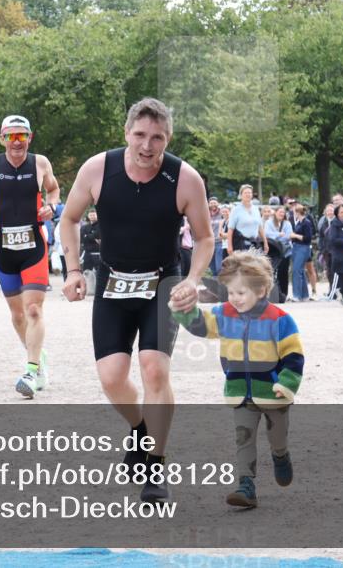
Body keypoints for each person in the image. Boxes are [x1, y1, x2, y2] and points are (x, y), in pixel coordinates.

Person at [58, 97, 213, 504]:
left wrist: (193, 280)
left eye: (157, 138)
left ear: (168, 138)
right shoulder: (97, 169)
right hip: (113, 284)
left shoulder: (185, 179)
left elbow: (205, 238)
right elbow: (68, 218)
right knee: (111, 377)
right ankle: (142, 429)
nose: (148, 146)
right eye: (140, 135)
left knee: (154, 371)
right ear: (127, 133)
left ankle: (156, 465)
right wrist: (74, 270)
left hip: (162, 285)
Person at [170, 251, 304, 509]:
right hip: (239, 391)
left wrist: (287, 383)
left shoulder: (280, 319)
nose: (234, 298)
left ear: (262, 290)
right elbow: (200, 325)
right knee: (244, 438)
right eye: (230, 292)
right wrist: (182, 308)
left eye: (240, 293)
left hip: (273, 393)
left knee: (277, 436)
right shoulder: (224, 313)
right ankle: (246, 485)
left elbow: (294, 355)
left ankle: (280, 455)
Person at [0, 114, 61, 399]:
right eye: (11, 136)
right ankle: (38, 358)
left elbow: (53, 189)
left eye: (22, 136)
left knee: (33, 310)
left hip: (34, 246)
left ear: (30, 138)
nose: (17, 142)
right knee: (18, 315)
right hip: (4, 248)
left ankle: (31, 371)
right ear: (2, 138)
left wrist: (51, 206)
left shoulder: (41, 163)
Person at [226, 184, 268, 255]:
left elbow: (260, 227)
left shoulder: (256, 209)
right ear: (241, 195)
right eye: (245, 193)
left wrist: (265, 242)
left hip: (254, 243)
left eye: (249, 193)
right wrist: (229, 246)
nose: (248, 195)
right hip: (240, 244)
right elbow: (230, 229)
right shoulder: (236, 210)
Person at [264, 205, 293, 302]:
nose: (281, 214)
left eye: (283, 212)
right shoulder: (269, 223)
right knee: (272, 272)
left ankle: (284, 294)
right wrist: (278, 235)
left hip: (285, 251)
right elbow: (267, 234)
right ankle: (274, 294)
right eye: (280, 212)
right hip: (273, 251)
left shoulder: (287, 224)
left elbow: (288, 236)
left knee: (283, 273)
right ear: (275, 213)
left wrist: (276, 237)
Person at [289, 204, 315, 301]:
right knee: (300, 271)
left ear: (297, 212)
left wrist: (295, 236)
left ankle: (297, 295)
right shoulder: (299, 223)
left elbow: (308, 238)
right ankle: (304, 295)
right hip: (297, 247)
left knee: (296, 270)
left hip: (303, 248)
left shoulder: (306, 222)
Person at [208, 198, 224, 275]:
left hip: (219, 242)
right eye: (211, 203)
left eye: (215, 203)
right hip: (209, 244)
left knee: (219, 267)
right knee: (211, 266)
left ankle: (220, 285)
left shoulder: (222, 214)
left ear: (218, 203)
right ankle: (215, 285)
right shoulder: (206, 215)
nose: (213, 205)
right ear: (208, 205)